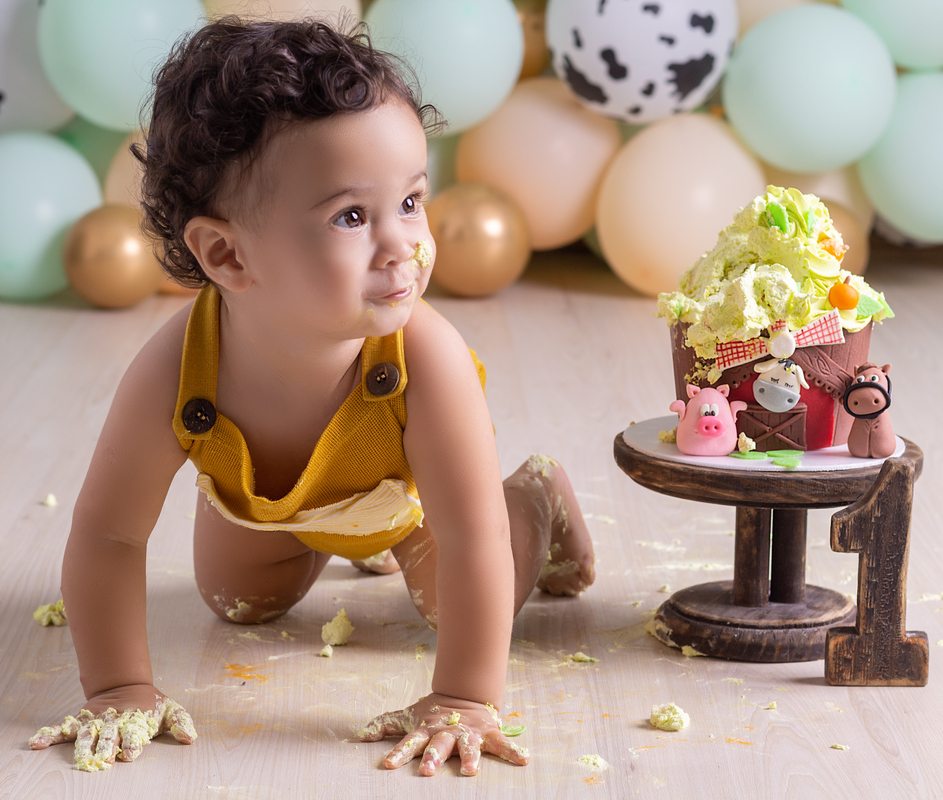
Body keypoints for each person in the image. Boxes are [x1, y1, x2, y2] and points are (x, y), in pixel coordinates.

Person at [29, 18, 595, 777]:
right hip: (264, 502)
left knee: (449, 602)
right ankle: (317, 537)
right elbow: (108, 537)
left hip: (409, 503)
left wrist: (464, 695)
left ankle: (537, 495)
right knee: (234, 601)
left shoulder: (426, 357)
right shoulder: (177, 367)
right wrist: (119, 685)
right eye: (352, 216)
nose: (403, 245)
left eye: (412, 202)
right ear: (227, 253)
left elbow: (473, 542)